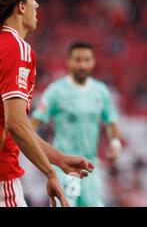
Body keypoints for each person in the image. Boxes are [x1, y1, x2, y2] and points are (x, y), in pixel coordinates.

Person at [0, 0, 94, 207]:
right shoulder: (16, 48)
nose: (37, 5)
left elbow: (15, 124)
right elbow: (16, 124)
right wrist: (50, 173)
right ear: (21, 7)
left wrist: (58, 159)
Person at [32, 41, 121, 207]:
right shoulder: (56, 91)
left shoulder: (100, 91)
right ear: (69, 62)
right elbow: (33, 124)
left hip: (91, 167)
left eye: (86, 60)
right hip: (64, 166)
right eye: (77, 60)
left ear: (93, 62)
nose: (82, 65)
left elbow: (111, 121)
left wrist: (115, 143)